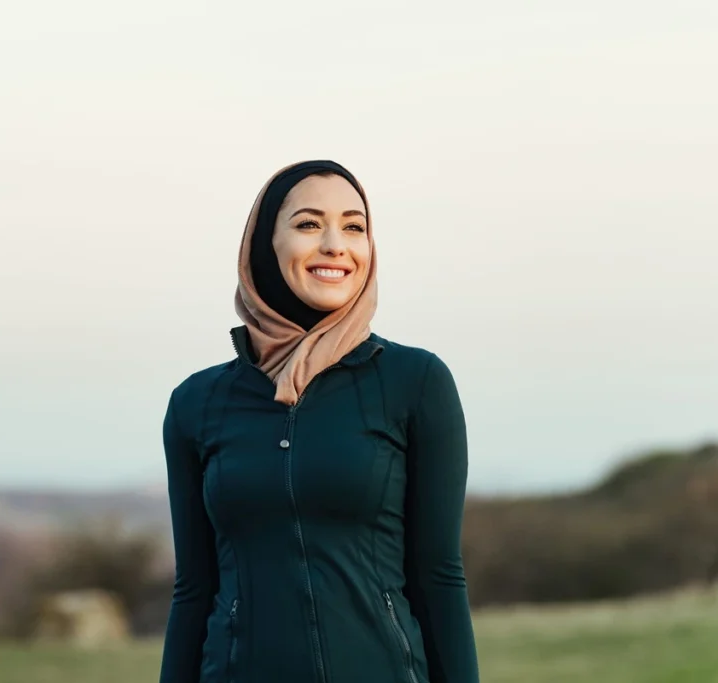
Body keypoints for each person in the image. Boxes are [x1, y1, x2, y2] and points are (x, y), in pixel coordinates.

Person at [158, 160, 479, 683]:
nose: (335, 244)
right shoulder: (197, 401)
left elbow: (439, 576)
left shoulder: (414, 381)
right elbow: (193, 589)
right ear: (266, 243)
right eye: (309, 224)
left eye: (354, 226)